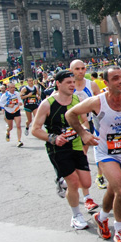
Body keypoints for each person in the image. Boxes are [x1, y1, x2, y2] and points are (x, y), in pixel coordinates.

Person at [66, 66, 121, 242]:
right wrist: (84, 133)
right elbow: (70, 114)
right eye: (115, 79)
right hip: (105, 153)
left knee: (113, 190)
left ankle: (101, 218)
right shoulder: (97, 102)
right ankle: (120, 232)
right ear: (106, 82)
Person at [30, 70, 96, 230]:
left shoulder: (77, 99)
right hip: (58, 149)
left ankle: (61, 181)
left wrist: (85, 133)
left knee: (86, 182)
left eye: (73, 82)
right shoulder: (47, 104)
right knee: (73, 182)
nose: (72, 85)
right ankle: (76, 216)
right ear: (58, 84)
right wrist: (53, 138)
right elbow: (35, 129)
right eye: (68, 83)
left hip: (77, 145)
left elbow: (84, 121)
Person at [69, 60, 105, 203]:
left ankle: (96, 180)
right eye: (77, 69)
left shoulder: (92, 85)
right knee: (75, 158)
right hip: (71, 124)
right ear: (71, 70)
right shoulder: (67, 86)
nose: (81, 71)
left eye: (83, 68)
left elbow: (101, 102)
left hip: (89, 122)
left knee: (86, 154)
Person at [0, 82, 24, 147]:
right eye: (11, 88)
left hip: (16, 110)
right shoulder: (5, 95)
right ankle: (8, 131)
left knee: (18, 126)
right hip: (9, 112)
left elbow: (20, 100)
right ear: (8, 88)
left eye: (14, 87)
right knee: (10, 127)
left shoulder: (17, 93)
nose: (13, 89)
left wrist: (20, 103)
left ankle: (19, 140)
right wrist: (8, 105)